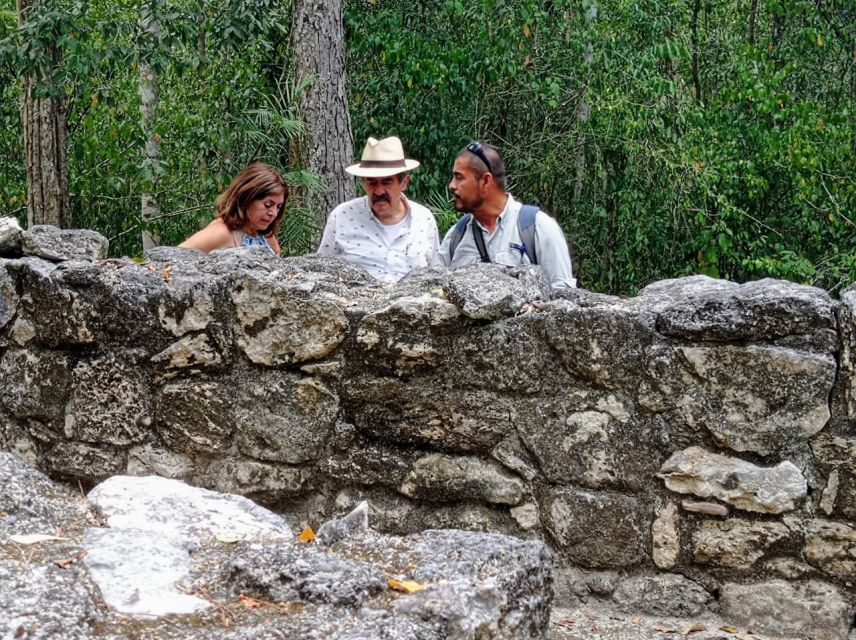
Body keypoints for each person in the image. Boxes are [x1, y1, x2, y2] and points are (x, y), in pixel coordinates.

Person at [440, 142, 577, 289]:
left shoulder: (537, 228)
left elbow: (562, 296)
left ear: (485, 181)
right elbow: (435, 291)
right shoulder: (456, 237)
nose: (452, 185)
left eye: (459, 177)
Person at [316, 136, 441, 283]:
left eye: (387, 182)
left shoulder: (424, 219)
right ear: (363, 183)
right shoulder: (342, 216)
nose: (379, 191)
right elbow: (321, 272)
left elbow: (436, 275)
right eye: (372, 182)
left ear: (404, 182)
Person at [179, 162, 287, 255]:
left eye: (278, 207)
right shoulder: (221, 232)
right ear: (246, 198)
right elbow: (174, 257)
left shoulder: (263, 232)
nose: (273, 213)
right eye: (267, 205)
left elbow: (276, 252)